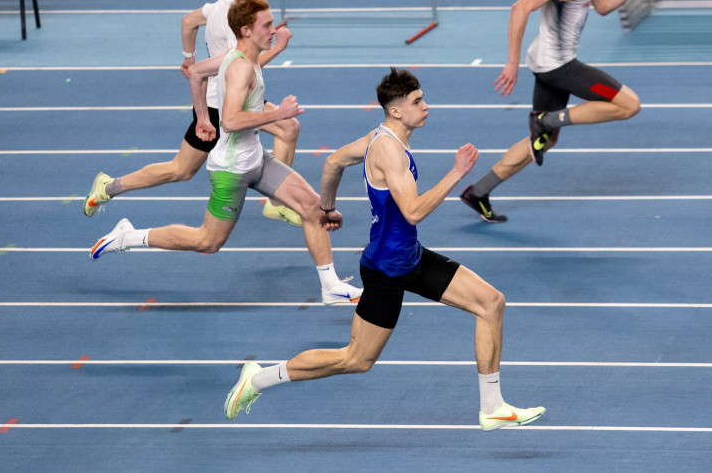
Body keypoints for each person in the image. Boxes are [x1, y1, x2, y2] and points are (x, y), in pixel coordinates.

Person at [224, 68, 545, 430]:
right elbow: (413, 211)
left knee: (491, 303)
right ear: (395, 111)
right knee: (356, 360)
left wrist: (326, 209)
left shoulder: (377, 137)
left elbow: (334, 162)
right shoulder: (390, 152)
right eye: (417, 102)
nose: (426, 106)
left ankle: (493, 408)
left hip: (409, 256)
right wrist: (456, 173)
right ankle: (258, 378)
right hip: (386, 269)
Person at [88, 0, 362, 306]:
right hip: (230, 170)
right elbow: (230, 121)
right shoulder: (241, 68)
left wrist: (203, 117)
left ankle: (331, 286)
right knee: (208, 241)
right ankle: (126, 237)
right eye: (267, 24)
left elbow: (196, 72)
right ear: (246, 30)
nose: (274, 28)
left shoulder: (239, 58)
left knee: (313, 207)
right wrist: (278, 114)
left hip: (255, 159)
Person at [460, 0, 656, 223]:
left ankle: (478, 191)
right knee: (629, 104)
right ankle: (548, 120)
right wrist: (511, 62)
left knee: (544, 141)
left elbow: (604, 5)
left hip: (549, 62)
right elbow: (520, 7)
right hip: (558, 65)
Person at [82, 0, 302, 227]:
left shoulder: (218, 7)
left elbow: (188, 22)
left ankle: (108, 187)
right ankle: (108, 186)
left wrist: (188, 57)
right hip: (218, 107)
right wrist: (279, 47)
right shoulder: (230, 19)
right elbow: (243, 68)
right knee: (182, 169)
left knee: (184, 168)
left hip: (229, 100)